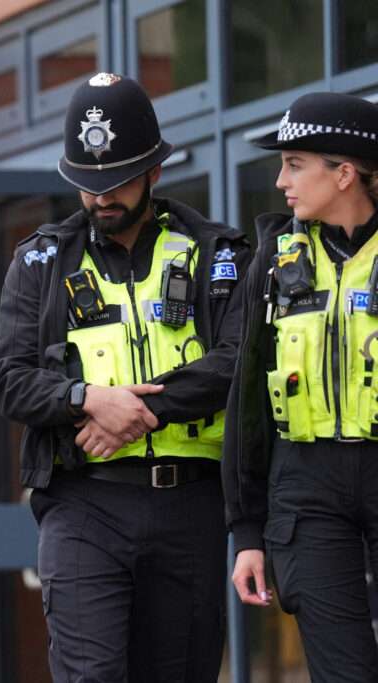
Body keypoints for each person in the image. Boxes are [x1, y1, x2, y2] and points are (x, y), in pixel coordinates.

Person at [0, 73, 250, 682]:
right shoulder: (40, 262)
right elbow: (8, 378)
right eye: (87, 185)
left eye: (116, 183)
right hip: (84, 504)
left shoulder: (217, 252)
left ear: (155, 172)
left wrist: (139, 412)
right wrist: (88, 398)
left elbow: (237, 358)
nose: (100, 199)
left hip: (190, 503)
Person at [225, 92, 378, 681]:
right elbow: (248, 405)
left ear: (344, 173)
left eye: (295, 163)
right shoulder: (273, 260)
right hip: (306, 488)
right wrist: (247, 532)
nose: (280, 179)